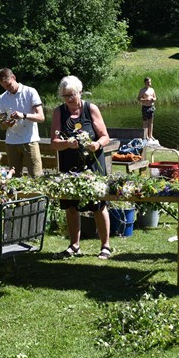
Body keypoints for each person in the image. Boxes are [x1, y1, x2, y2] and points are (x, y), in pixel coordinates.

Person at [51, 75, 112, 260]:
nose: (69, 99)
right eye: (65, 96)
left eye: (72, 95)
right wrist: (66, 144)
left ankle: (105, 246)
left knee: (98, 205)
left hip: (93, 164)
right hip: (69, 165)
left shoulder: (90, 108)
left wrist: (97, 145)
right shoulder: (59, 112)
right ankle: (74, 245)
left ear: (80, 93)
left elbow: (104, 136)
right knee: (71, 206)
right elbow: (54, 142)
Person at [0, 67, 45, 177]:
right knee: (13, 178)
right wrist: (6, 124)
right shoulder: (2, 98)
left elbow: (41, 117)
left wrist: (23, 115)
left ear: (13, 77)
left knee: (36, 176)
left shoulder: (30, 91)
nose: (7, 88)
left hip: (29, 140)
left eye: (8, 85)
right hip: (11, 142)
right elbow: (1, 124)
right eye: (4, 87)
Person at [137, 76, 157, 143]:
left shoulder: (152, 89)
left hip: (151, 107)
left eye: (150, 82)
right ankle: (146, 136)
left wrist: (153, 99)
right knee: (145, 122)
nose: (149, 83)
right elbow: (138, 99)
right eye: (148, 82)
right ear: (145, 83)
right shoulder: (142, 90)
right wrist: (146, 99)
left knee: (151, 122)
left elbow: (155, 97)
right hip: (145, 107)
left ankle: (150, 135)